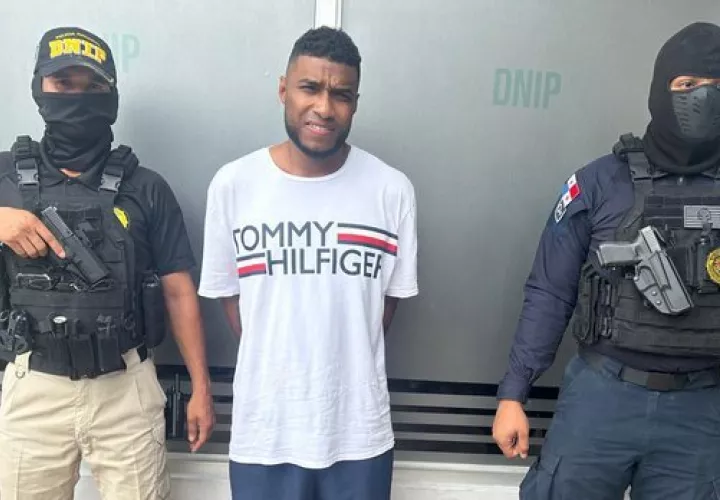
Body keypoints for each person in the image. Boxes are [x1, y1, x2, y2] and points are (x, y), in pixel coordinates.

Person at [492, 21, 720, 499]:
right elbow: (550, 291)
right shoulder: (599, 182)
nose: (703, 98)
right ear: (660, 88)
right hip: (603, 397)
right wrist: (514, 393)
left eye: (717, 86)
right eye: (687, 85)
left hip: (702, 412)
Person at [198, 26, 418, 500]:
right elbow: (234, 304)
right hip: (265, 434)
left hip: (359, 436)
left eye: (341, 94)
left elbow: (384, 308)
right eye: (309, 88)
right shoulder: (234, 185)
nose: (324, 107)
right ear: (283, 90)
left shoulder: (391, 190)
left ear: (355, 103)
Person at [0, 27, 215, 499]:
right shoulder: (5, 176)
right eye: (63, 84)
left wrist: (201, 386)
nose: (77, 97)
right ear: (39, 87)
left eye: (92, 86)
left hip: (126, 390)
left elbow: (179, 291)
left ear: (112, 95)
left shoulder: (147, 187)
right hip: (34, 386)